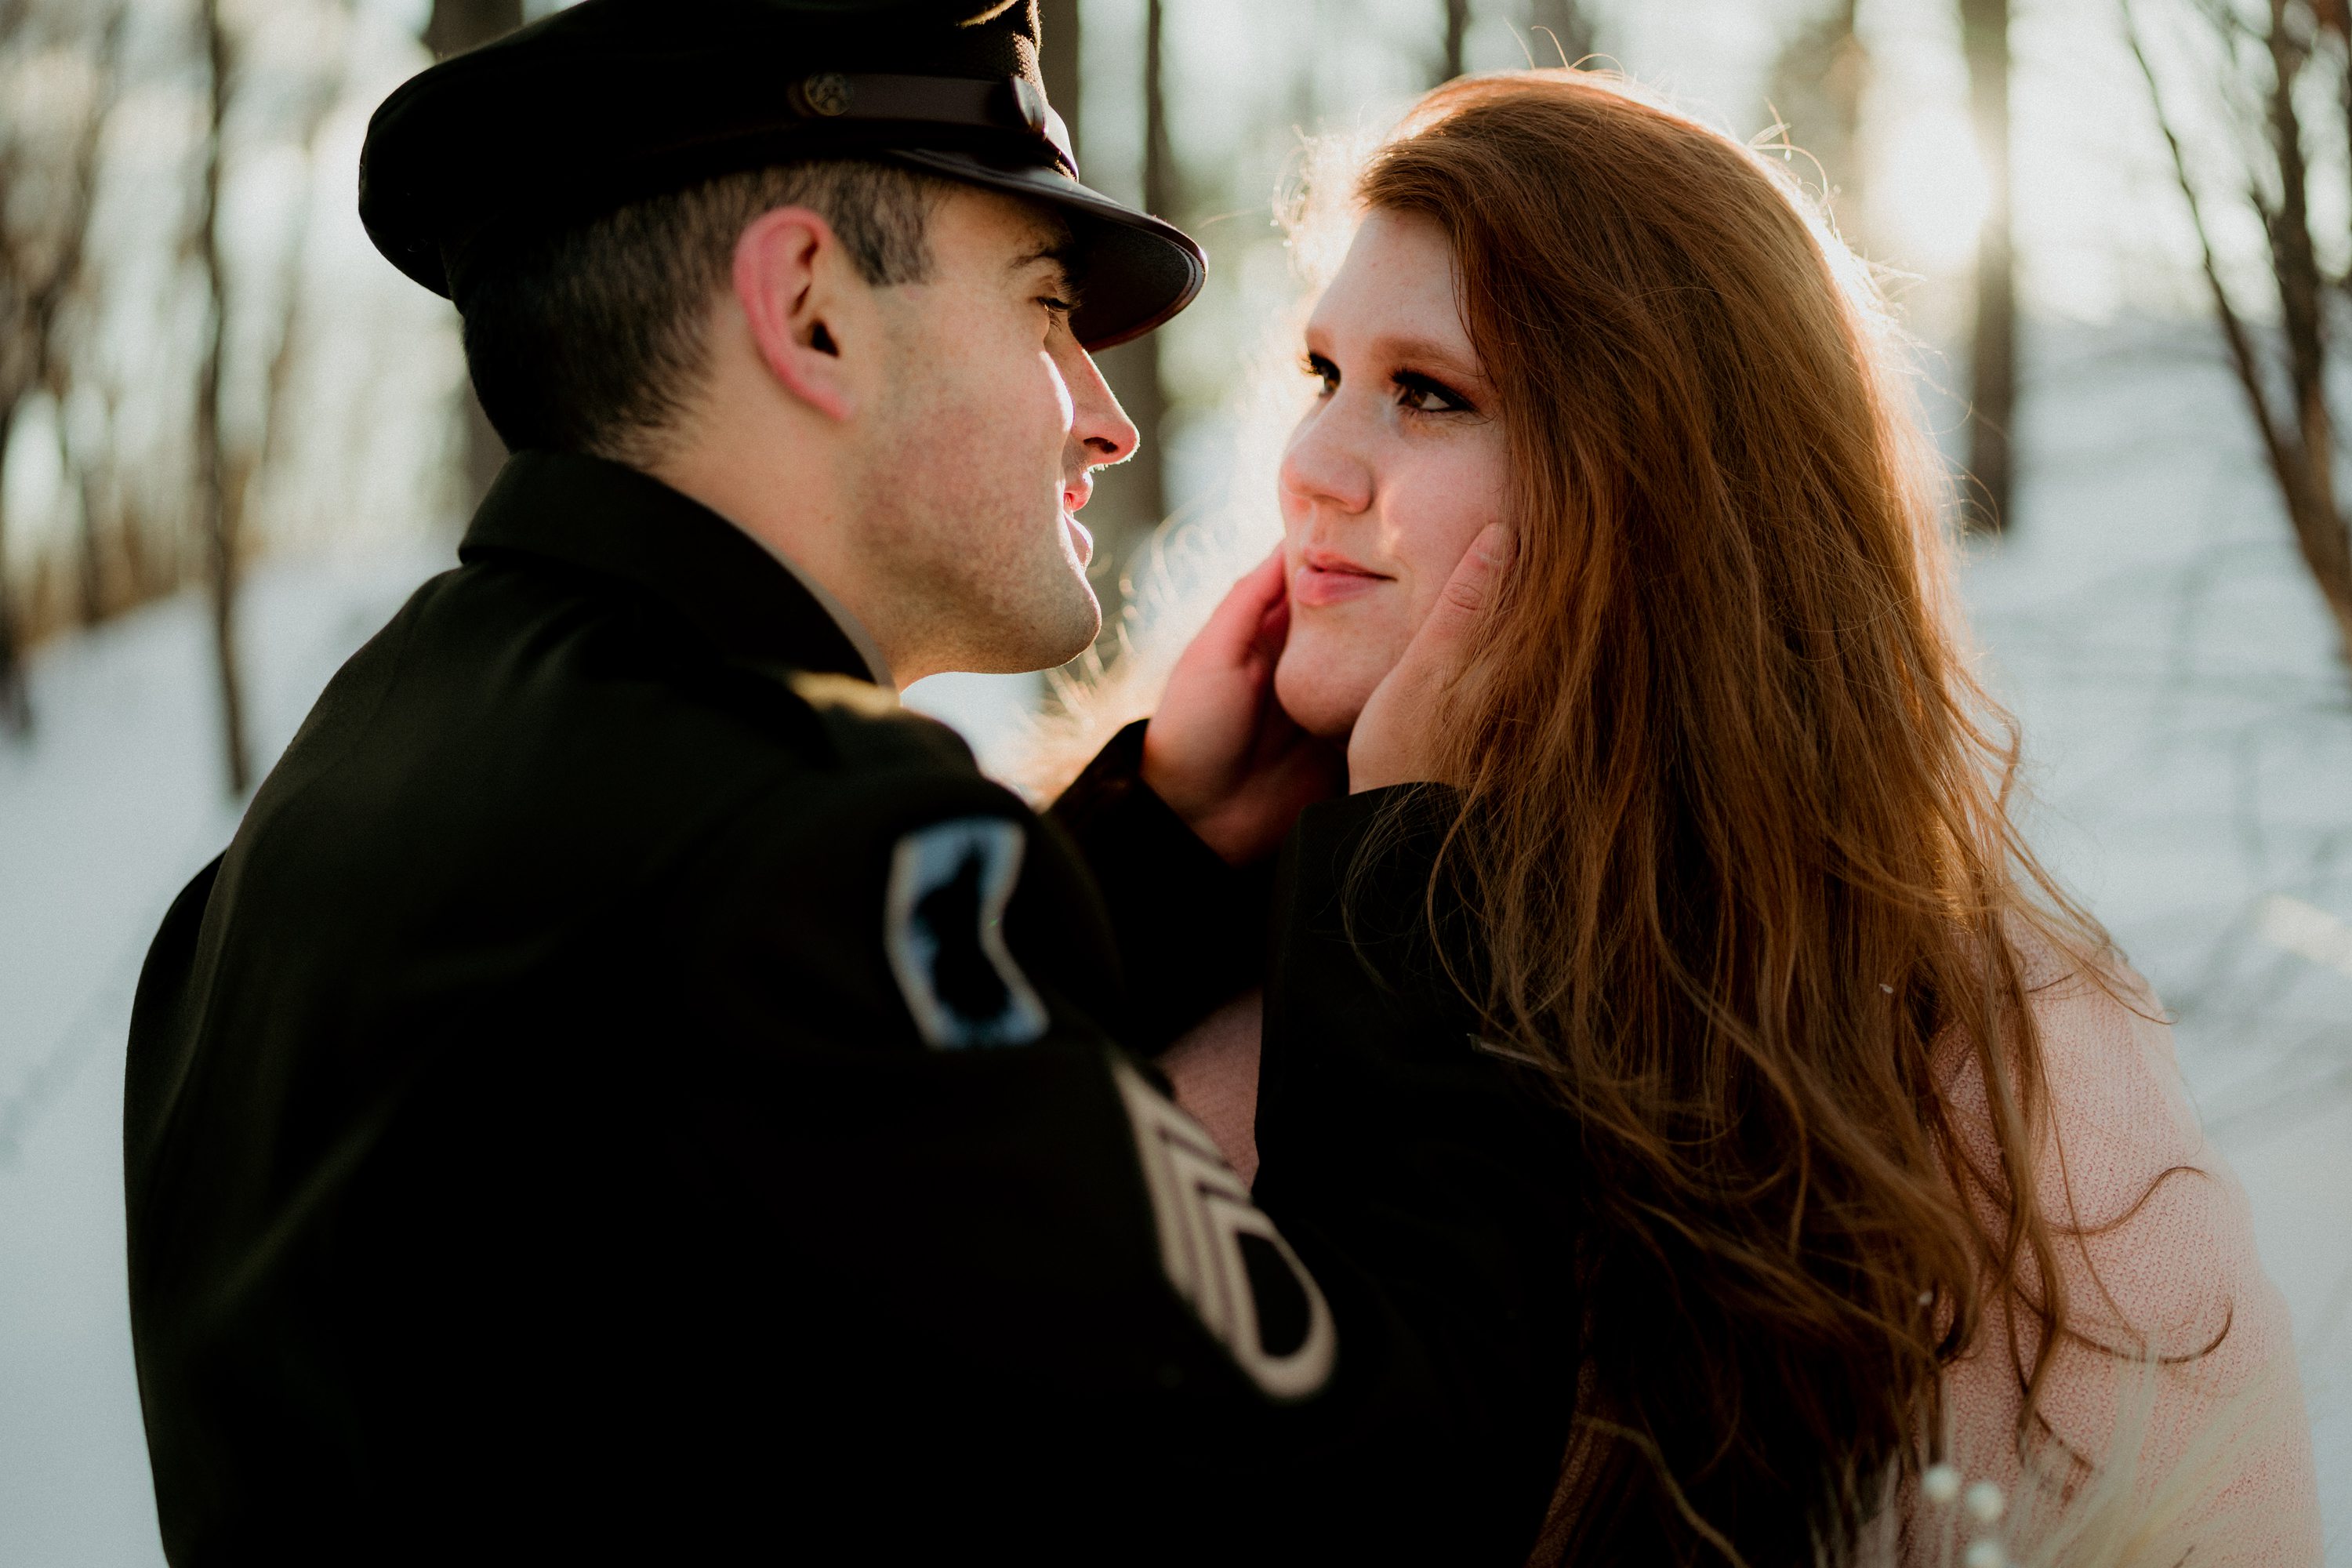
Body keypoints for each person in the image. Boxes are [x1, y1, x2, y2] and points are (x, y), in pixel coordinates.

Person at [121, 5, 1585, 1562]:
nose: (1101, 415)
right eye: (1042, 311)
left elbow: (808, 1226)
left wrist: (1155, 838)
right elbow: (1379, 1481)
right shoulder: (806, 849)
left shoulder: (336, 806)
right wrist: (1417, 857)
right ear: (810, 309)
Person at [1144, 72, 2324, 1565]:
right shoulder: (1183, 916)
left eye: (1428, 392)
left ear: (1653, 491)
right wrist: (1146, 845)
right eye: (1321, 373)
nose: (1308, 466)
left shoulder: (1989, 1069)